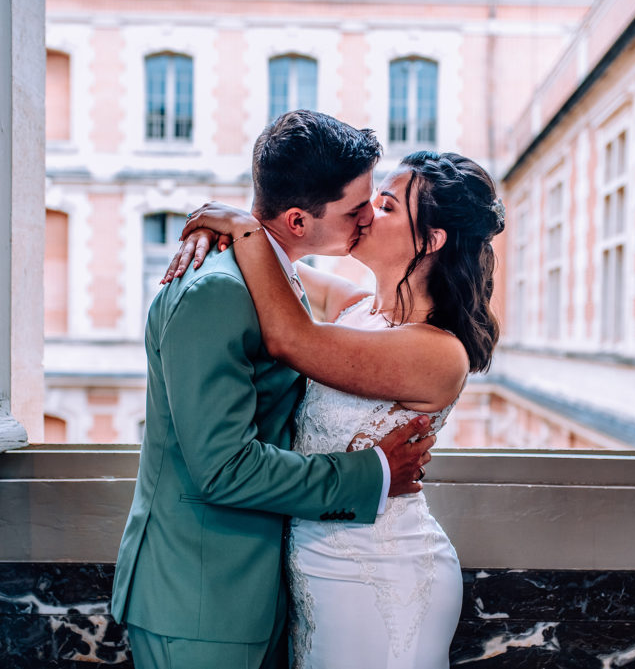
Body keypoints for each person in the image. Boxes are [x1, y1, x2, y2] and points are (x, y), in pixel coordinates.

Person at [111, 110, 438, 669]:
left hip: (255, 589)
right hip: (201, 598)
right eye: (355, 209)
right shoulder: (217, 292)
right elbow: (222, 467)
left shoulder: (272, 277)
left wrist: (239, 224)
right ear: (296, 220)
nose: (366, 220)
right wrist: (372, 473)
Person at [172, 149, 505, 668]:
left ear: (431, 240)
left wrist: (239, 226)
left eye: (389, 206)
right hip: (314, 568)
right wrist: (216, 230)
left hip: (382, 572)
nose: (368, 212)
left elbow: (287, 334)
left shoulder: (438, 352)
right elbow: (275, 260)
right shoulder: (354, 307)